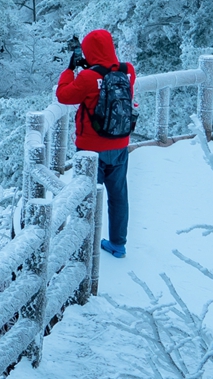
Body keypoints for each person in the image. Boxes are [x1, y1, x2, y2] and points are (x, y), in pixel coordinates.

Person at [56, 28, 136, 258]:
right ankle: (118, 245)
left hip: (90, 150)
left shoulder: (88, 77)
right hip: (120, 145)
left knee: (85, 197)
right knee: (118, 196)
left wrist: (71, 69)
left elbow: (64, 95)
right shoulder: (128, 71)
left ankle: (83, 245)